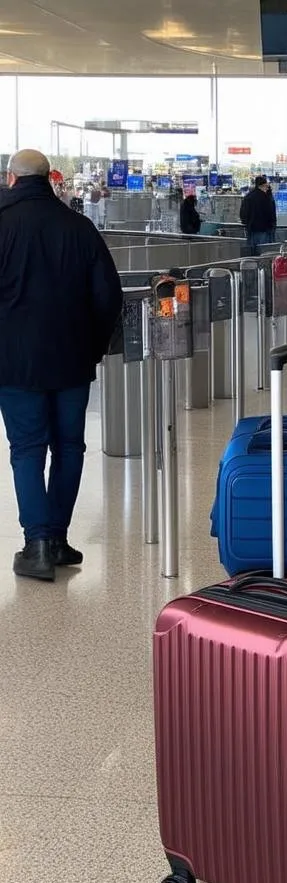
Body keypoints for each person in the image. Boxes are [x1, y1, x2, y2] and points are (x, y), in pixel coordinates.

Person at [0, 149, 123, 581]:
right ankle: (56, 538)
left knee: (27, 450)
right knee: (69, 448)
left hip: (15, 363)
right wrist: (92, 345)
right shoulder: (79, 227)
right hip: (72, 359)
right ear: (49, 180)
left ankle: (36, 544)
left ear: (11, 179)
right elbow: (109, 295)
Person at [239, 175, 277, 255]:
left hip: (251, 230)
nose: (267, 188)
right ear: (262, 185)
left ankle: (253, 267)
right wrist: (272, 226)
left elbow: (243, 213)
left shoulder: (248, 197)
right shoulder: (267, 198)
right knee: (264, 253)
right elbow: (271, 213)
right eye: (266, 186)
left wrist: (246, 223)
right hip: (264, 230)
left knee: (252, 253)